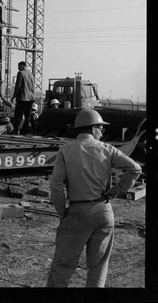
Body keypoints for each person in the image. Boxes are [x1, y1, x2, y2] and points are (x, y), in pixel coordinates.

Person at [46, 108, 141, 288]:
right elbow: (135, 169)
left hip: (76, 213)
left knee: (62, 267)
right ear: (93, 128)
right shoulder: (108, 149)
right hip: (103, 213)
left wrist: (62, 211)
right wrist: (115, 191)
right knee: (98, 268)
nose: (102, 132)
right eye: (101, 128)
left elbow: (56, 186)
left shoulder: (66, 150)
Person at [10, 61, 35, 135]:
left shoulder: (20, 73)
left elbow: (18, 86)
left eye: (18, 66)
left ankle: (16, 131)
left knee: (18, 116)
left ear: (22, 66)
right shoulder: (31, 74)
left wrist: (14, 96)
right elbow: (33, 87)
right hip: (30, 98)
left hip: (23, 98)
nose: (18, 68)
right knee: (27, 116)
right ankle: (24, 132)